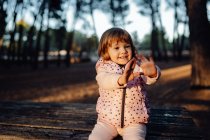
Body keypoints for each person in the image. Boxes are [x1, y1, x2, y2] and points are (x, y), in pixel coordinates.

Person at [89, 27, 161, 140]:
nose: (123, 51)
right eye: (117, 48)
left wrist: (153, 73)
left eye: (127, 46)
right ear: (106, 51)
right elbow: (104, 80)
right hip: (108, 120)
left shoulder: (136, 65)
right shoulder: (103, 67)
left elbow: (149, 79)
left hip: (135, 120)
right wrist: (121, 79)